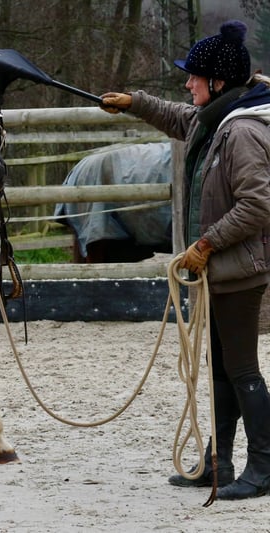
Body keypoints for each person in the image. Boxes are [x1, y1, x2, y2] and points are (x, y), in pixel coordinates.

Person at [101, 20, 270, 500]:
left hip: (238, 272)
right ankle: (219, 463)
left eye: (194, 76)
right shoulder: (214, 117)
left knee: (242, 370)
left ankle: (264, 466)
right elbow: (178, 116)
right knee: (220, 370)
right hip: (217, 272)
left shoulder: (242, 132)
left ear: (218, 81)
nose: (187, 83)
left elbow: (258, 205)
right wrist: (134, 102)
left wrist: (206, 244)